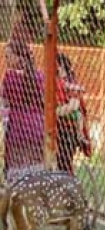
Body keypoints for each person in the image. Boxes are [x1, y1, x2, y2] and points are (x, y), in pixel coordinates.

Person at [1, 40, 45, 182]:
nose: (6, 60)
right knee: (35, 170)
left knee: (16, 173)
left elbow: (4, 102)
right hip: (38, 128)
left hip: (17, 129)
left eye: (8, 56)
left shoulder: (10, 77)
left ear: (19, 57)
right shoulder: (41, 77)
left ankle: (17, 199)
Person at [56, 52, 91, 175]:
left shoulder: (69, 81)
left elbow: (74, 105)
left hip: (68, 128)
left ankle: (80, 134)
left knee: (64, 163)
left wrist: (57, 111)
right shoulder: (55, 81)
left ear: (61, 66)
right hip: (58, 126)